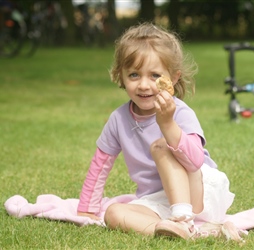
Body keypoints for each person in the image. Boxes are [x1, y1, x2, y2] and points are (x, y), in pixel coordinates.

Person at [77, 22, 235, 240]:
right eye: (134, 75)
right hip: (158, 200)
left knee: (161, 145)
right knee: (113, 214)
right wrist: (87, 208)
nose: (144, 85)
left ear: (174, 78)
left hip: (198, 193)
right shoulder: (118, 119)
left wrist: (168, 124)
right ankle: (187, 233)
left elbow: (195, 161)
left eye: (154, 76)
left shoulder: (180, 112)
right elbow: (100, 164)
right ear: (120, 75)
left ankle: (183, 220)